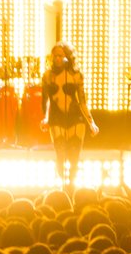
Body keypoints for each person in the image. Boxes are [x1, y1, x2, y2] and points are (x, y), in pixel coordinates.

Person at [39, 42, 98, 190]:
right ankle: (63, 185)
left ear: (68, 57)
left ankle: (71, 185)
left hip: (75, 116)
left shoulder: (77, 76)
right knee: (60, 153)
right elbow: (46, 101)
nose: (57, 59)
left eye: (60, 56)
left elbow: (82, 101)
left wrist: (91, 122)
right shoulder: (47, 76)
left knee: (74, 155)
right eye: (55, 56)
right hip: (56, 116)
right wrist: (45, 119)